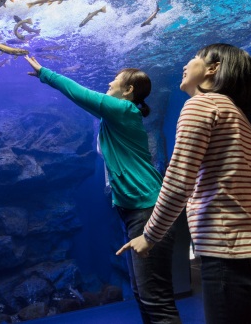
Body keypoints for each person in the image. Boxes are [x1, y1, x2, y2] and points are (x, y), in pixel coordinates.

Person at [117, 44, 251, 324]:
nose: (186, 64)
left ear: (213, 68)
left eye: (194, 57)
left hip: (232, 255)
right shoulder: (235, 114)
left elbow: (177, 182)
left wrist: (149, 237)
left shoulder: (201, 105)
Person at [24, 55, 181, 324]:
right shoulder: (116, 119)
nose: (110, 82)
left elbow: (83, 95)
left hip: (147, 209)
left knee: (155, 298)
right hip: (134, 211)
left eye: (115, 80)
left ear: (129, 90)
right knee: (142, 293)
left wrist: (45, 73)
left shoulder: (124, 111)